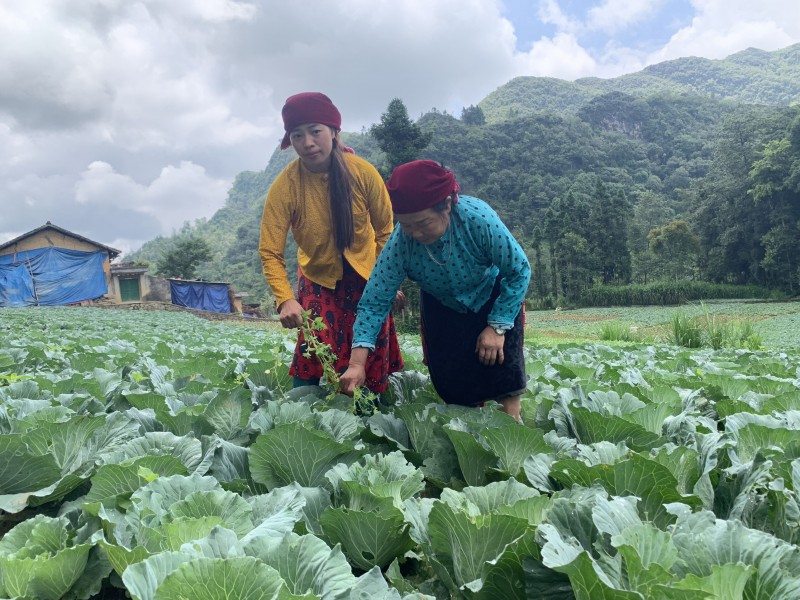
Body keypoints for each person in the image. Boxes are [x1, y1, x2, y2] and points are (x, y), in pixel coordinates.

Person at [340, 160, 531, 420]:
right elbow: (374, 302)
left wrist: (497, 327)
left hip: (492, 297)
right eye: (407, 225)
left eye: (423, 223)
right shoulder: (401, 243)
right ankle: (470, 442)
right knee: (455, 383)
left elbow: (519, 269)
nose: (416, 233)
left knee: (503, 373)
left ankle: (512, 435)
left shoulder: (478, 220)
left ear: (448, 205)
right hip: (442, 307)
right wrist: (356, 364)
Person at [258, 92, 403, 393]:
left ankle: (369, 422)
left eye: (315, 131)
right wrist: (285, 298)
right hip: (318, 277)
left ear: (335, 132)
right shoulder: (285, 187)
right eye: (297, 135)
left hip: (367, 276)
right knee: (312, 349)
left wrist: (386, 283)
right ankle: (301, 415)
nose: (307, 142)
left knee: (369, 348)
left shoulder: (363, 173)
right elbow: (270, 251)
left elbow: (386, 233)